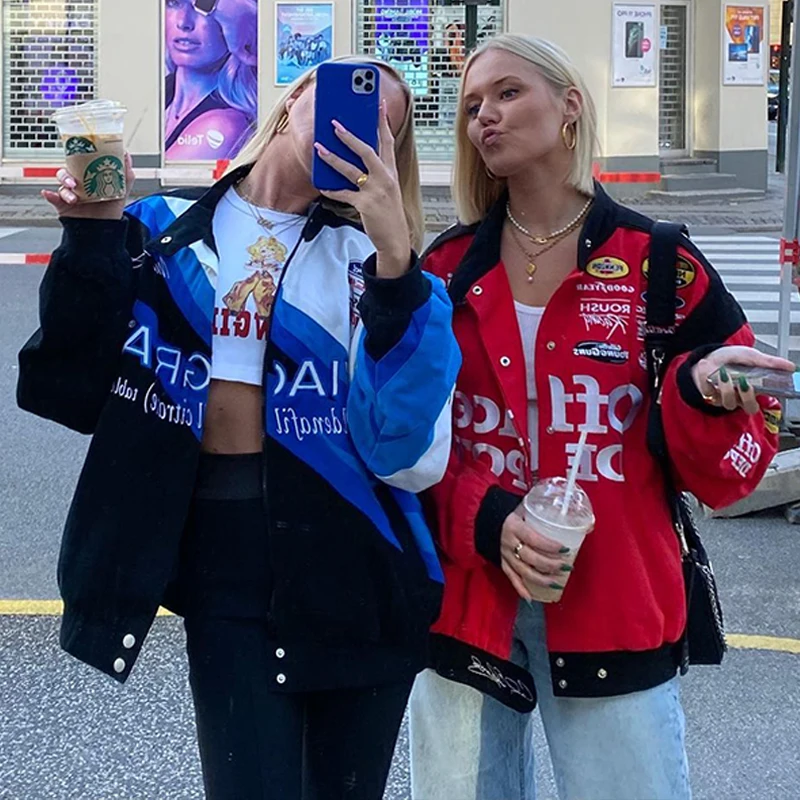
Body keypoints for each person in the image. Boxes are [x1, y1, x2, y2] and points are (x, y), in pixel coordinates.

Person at [18, 56, 460, 800]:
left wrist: (396, 260)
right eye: (343, 103)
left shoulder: (375, 266)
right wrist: (89, 237)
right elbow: (66, 389)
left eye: (380, 128)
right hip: (223, 559)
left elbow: (407, 456)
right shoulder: (158, 231)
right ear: (292, 101)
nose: (355, 132)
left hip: (359, 565)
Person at [408, 33, 791, 800]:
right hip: (466, 606)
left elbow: (733, 468)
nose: (485, 117)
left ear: (570, 107)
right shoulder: (444, 270)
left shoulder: (660, 262)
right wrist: (491, 520)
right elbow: (408, 448)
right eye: (472, 106)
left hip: (615, 602)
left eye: (508, 93)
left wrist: (700, 392)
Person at [164, 0, 258, 161]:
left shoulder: (225, 125)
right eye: (174, 2)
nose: (184, 22)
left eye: (203, 8)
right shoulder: (162, 92)